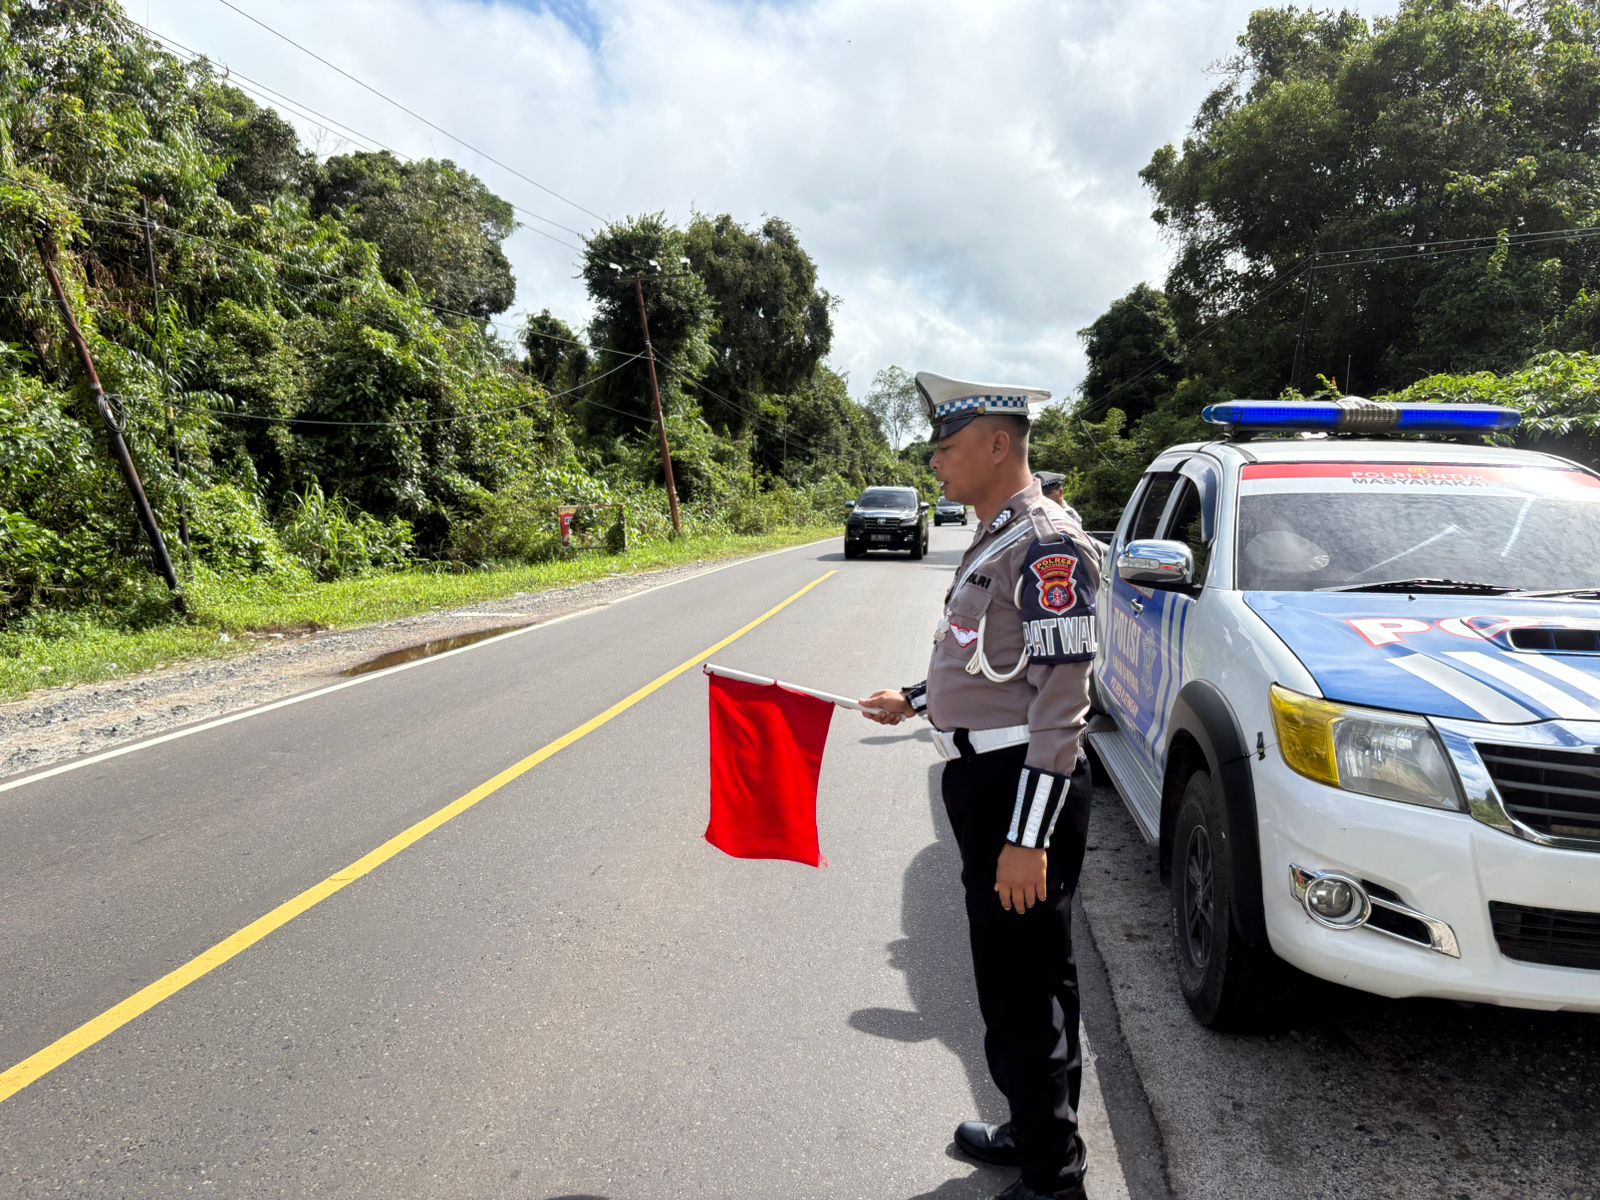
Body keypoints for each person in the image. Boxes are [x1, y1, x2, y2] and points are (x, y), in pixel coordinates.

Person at [859, 372, 1100, 1200]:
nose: (935, 463)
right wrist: (916, 699)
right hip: (988, 779)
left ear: (998, 445)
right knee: (1035, 980)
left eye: (947, 447)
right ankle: (1039, 1133)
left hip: (1017, 789)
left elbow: (1062, 707)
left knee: (1020, 994)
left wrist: (1026, 839)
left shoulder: (1046, 542)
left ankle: (1051, 1181)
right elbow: (988, 660)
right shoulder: (997, 534)